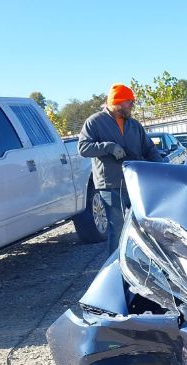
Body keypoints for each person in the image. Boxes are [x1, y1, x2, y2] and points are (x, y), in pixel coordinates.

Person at [78, 84, 161, 251]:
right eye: (129, 102)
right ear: (117, 102)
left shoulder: (134, 125)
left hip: (134, 182)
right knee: (117, 228)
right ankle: (116, 268)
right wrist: (108, 147)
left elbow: (149, 150)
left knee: (142, 225)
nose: (132, 105)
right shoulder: (94, 122)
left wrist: (162, 169)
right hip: (110, 185)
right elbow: (83, 148)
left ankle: (139, 263)